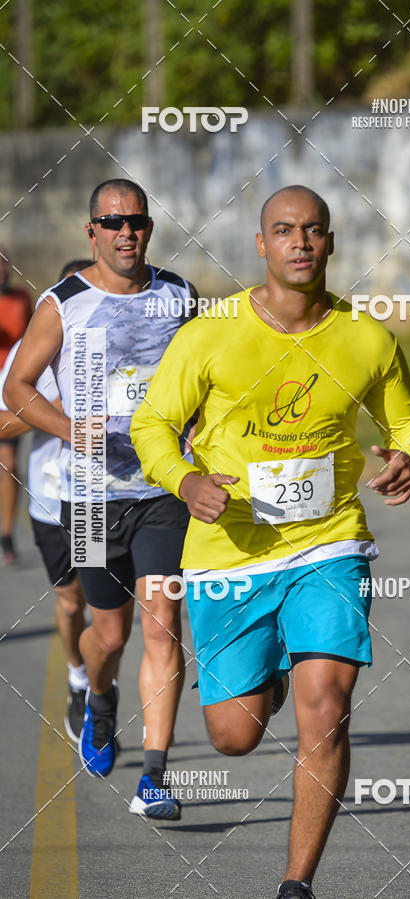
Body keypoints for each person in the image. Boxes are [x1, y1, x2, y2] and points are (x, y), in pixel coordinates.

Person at [131, 185, 410, 897]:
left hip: (328, 545)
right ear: (262, 245)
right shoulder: (211, 333)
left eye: (313, 230)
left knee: (327, 708)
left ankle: (296, 885)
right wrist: (183, 482)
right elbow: (150, 425)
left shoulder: (367, 339)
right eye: (284, 229)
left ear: (330, 243)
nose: (300, 241)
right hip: (229, 552)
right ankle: (266, 671)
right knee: (233, 735)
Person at [4, 179, 196, 821]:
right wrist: (67, 429)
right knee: (108, 635)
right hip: (88, 497)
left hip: (162, 488)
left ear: (148, 226)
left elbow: (206, 380)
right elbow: (20, 388)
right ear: (92, 231)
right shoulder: (63, 303)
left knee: (163, 626)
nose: (125, 233)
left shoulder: (179, 295)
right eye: (111, 222)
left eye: (135, 221)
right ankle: (99, 700)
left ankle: (156, 777)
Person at [0, 260, 92, 740]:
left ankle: (107, 689)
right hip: (51, 499)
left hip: (109, 496)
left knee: (126, 604)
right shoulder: (28, 351)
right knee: (71, 598)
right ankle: (80, 678)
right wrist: (53, 414)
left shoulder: (119, 346)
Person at [0, 247, 32, 563]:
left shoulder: (22, 298)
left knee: (8, 462)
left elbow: (34, 341)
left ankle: (7, 535)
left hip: (8, 386)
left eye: (3, 263)